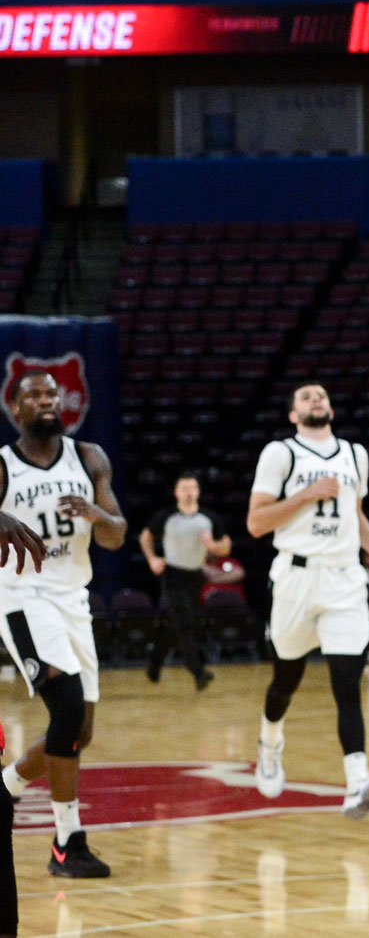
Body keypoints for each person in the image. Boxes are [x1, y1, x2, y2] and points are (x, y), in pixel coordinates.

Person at [247, 381, 369, 819]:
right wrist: (304, 495)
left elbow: (354, 515)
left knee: (346, 683)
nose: (316, 399)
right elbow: (256, 523)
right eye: (305, 397)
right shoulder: (280, 453)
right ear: (293, 415)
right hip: (296, 577)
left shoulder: (356, 454)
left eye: (322, 395)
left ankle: (357, 783)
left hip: (344, 579)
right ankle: (270, 741)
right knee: (286, 679)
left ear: (331, 409)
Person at [0, 371, 122, 880]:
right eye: (35, 395)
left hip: (74, 599)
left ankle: (5, 785)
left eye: (52, 394)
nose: (47, 401)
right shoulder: (4, 466)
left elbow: (116, 536)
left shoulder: (89, 456)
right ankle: (67, 842)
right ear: (15, 408)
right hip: (22, 597)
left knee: (79, 731)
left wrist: (98, 514)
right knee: (67, 707)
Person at [141, 473, 227, 690]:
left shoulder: (208, 518)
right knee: (185, 623)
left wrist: (213, 547)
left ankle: (154, 661)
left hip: (195, 576)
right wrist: (152, 559)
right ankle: (198, 673)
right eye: (184, 488)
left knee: (178, 625)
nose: (188, 492)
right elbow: (145, 537)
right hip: (173, 575)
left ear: (198, 491)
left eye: (192, 487)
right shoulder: (167, 516)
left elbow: (226, 545)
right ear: (176, 492)